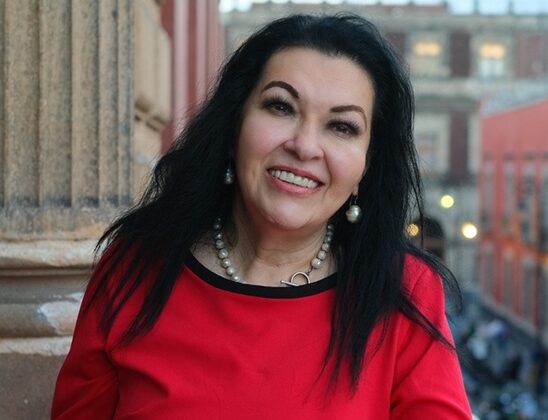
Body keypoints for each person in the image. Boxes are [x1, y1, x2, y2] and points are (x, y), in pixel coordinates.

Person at [51, 14, 472, 419]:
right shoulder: (134, 268)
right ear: (234, 123)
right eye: (281, 107)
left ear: (367, 163)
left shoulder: (403, 292)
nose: (304, 146)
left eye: (342, 127)